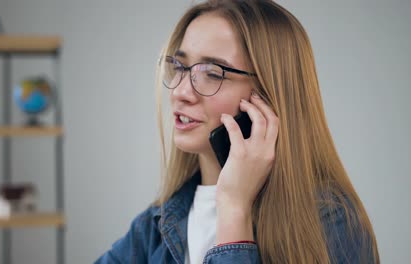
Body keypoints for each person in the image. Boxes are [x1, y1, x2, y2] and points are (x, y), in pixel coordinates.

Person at [95, 0, 379, 263]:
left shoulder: (331, 222)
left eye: (213, 73)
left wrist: (234, 208)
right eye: (180, 67)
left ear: (268, 97)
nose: (181, 92)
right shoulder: (152, 229)